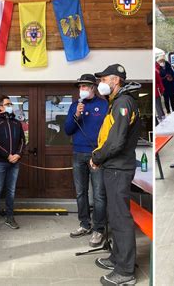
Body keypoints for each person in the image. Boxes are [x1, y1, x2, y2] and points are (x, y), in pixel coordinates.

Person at [90, 64, 140, 285]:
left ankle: (126, 272)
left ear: (115, 80)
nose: (101, 83)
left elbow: (116, 141)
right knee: (115, 214)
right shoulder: (116, 102)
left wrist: (97, 157)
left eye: (103, 79)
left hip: (119, 168)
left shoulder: (123, 103)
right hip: (114, 167)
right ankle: (117, 258)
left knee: (121, 218)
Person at [64, 74, 109, 247]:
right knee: (81, 192)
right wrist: (76, 114)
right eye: (80, 86)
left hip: (96, 155)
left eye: (86, 86)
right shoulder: (75, 105)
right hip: (78, 154)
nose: (83, 89)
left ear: (93, 88)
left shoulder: (104, 104)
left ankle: (99, 229)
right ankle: (84, 224)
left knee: (98, 193)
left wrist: (101, 152)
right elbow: (68, 130)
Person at [0, 95, 25, 233]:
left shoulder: (16, 122)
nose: (11, 106)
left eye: (11, 104)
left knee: (11, 191)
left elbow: (22, 140)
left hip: (15, 162)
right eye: (8, 104)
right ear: (1, 107)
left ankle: (10, 217)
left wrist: (18, 154)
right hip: (0, 162)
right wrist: (7, 155)